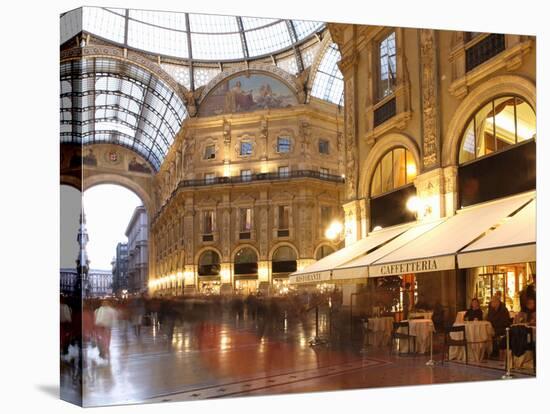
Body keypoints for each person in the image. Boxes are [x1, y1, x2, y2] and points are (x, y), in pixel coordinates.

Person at [487, 294, 511, 358]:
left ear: (497, 302)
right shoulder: (491, 309)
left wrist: (493, 327)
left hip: (502, 328)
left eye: (492, 302)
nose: (491, 303)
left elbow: (504, 322)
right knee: (485, 332)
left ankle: (495, 351)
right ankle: (487, 351)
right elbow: (488, 318)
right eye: (491, 302)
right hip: (493, 327)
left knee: (491, 333)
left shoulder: (503, 310)